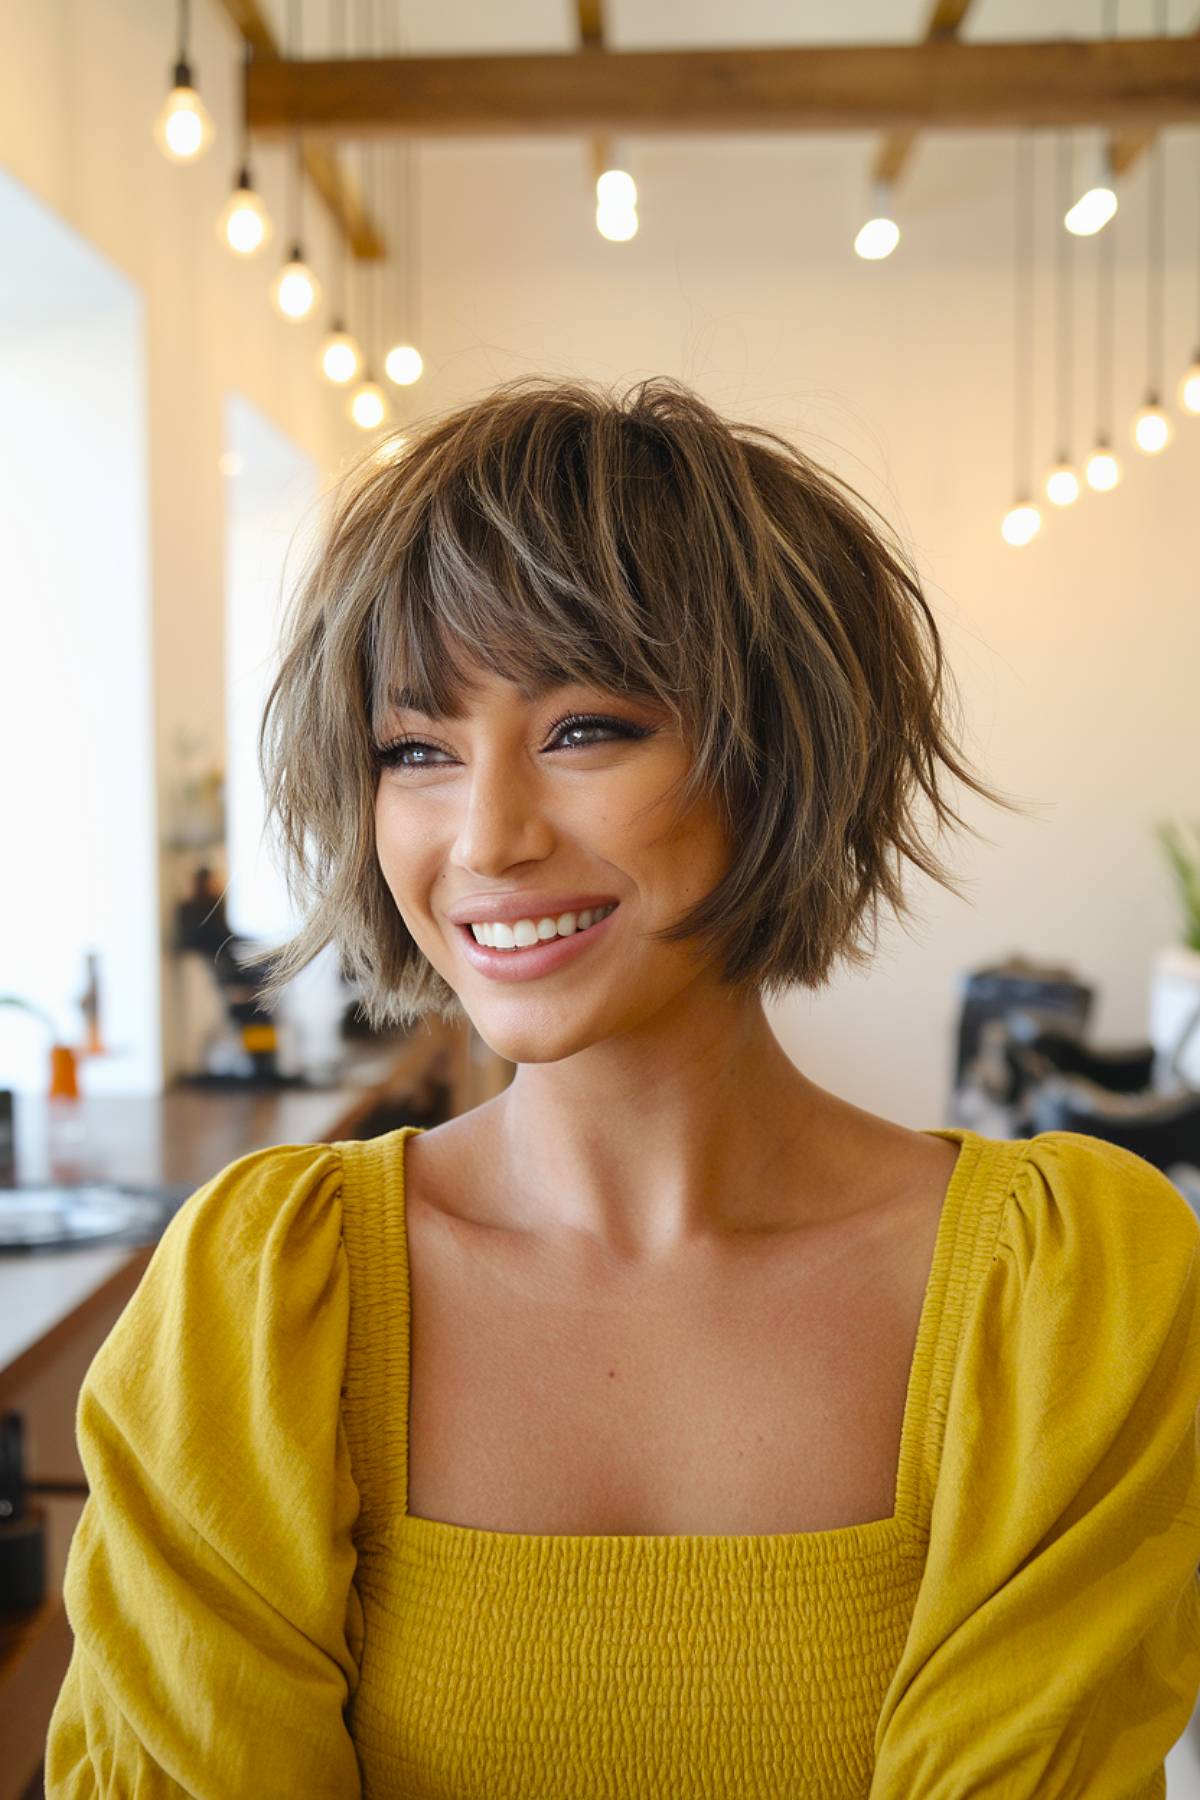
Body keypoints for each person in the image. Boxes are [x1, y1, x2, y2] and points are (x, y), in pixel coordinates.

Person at [45, 376, 1200, 1797]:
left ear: (778, 748)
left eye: (585, 729)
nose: (487, 838)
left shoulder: (1064, 1294)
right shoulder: (264, 1297)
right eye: (417, 751)